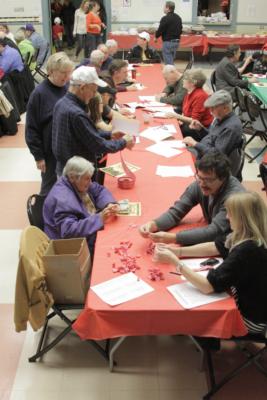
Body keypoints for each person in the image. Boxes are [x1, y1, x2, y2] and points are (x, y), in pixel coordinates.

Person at [154, 191, 267, 334]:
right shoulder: (250, 233)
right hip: (259, 303)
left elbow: (207, 286)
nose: (227, 217)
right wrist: (178, 252)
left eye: (230, 214)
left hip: (253, 319)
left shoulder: (246, 251)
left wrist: (175, 261)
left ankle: (206, 342)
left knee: (198, 310)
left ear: (242, 219)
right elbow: (215, 246)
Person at [139, 151, 245, 246]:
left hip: (231, 243)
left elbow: (213, 232)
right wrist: (154, 224)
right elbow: (176, 212)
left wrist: (175, 238)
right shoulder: (199, 184)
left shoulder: (234, 198)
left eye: (208, 180)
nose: (202, 184)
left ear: (223, 178)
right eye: (199, 177)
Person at [52, 66, 135, 176]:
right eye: (93, 91)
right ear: (82, 87)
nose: (93, 96)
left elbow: (85, 132)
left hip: (67, 169)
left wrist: (110, 134)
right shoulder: (77, 114)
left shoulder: (61, 103)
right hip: (77, 176)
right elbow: (98, 145)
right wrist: (123, 142)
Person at [43, 156, 119, 257]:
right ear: (72, 177)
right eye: (87, 179)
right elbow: (68, 231)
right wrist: (99, 218)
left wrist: (109, 203)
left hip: (84, 226)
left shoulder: (77, 181)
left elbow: (99, 190)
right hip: (69, 247)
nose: (90, 182)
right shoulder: (64, 198)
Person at [26, 52, 74, 196]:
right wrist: (38, 156)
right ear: (51, 71)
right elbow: (31, 128)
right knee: (49, 188)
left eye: (68, 73)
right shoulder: (39, 94)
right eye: (63, 73)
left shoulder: (67, 87)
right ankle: (43, 215)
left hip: (67, 147)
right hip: (49, 152)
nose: (66, 77)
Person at [183, 90, 243, 178]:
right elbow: (212, 137)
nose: (210, 111)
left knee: (181, 160)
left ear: (225, 108)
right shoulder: (220, 118)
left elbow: (216, 155)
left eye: (213, 108)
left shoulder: (231, 127)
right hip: (204, 155)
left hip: (211, 165)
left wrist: (195, 144)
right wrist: (200, 129)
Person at [167, 69, 213, 140]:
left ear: (193, 83)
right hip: (188, 123)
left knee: (172, 132)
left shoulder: (200, 96)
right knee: (171, 124)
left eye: (185, 79)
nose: (183, 80)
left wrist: (177, 117)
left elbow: (195, 121)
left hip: (198, 129)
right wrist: (181, 119)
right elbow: (185, 110)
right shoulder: (189, 92)